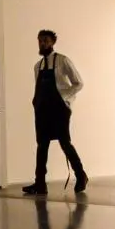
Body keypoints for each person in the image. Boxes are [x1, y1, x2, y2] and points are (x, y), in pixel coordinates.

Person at [22, 28, 88, 195]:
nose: (42, 43)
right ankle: (40, 184)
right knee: (41, 146)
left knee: (64, 143)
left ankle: (81, 175)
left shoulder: (63, 61)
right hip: (42, 110)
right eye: (40, 40)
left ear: (52, 43)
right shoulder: (37, 66)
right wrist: (35, 102)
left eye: (45, 40)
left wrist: (63, 97)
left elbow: (78, 83)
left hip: (59, 109)